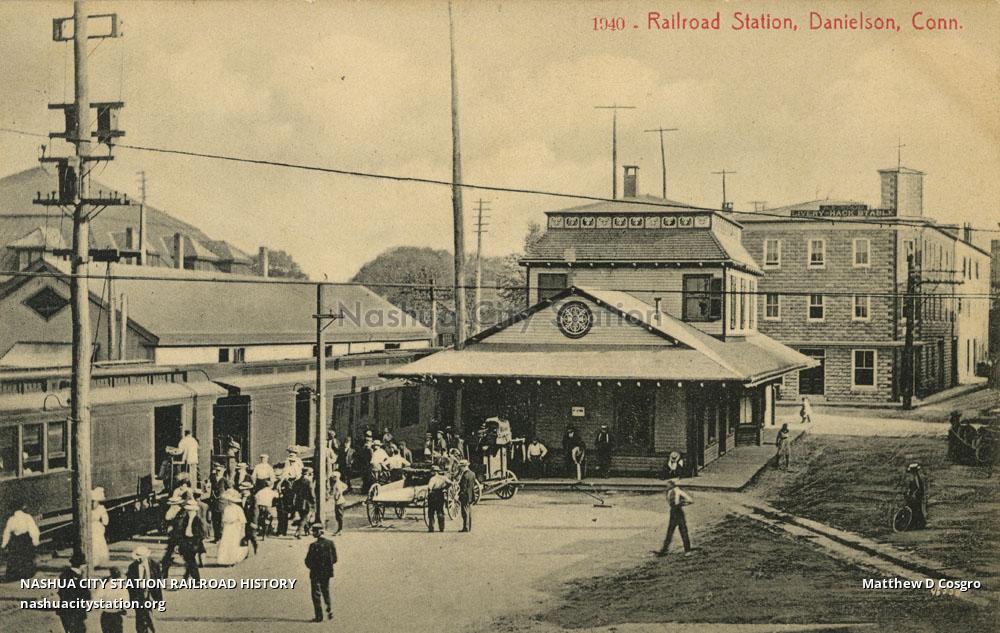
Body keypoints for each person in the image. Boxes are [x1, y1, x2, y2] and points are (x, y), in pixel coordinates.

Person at [304, 522, 337, 622]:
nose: (312, 533)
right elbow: (335, 559)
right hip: (326, 572)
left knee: (316, 594)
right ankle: (329, 608)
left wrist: (312, 568)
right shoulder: (330, 543)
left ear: (319, 532)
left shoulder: (313, 545)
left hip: (315, 572)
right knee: (326, 591)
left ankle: (319, 616)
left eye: (314, 531)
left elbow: (307, 560)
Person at [126, 546, 163, 633]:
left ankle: (151, 630)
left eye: (140, 558)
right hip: (138, 595)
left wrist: (159, 599)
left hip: (150, 594)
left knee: (149, 616)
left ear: (146, 556)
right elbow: (129, 585)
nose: (138, 560)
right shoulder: (132, 567)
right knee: (139, 617)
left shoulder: (154, 565)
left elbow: (158, 582)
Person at [2, 500, 40, 580]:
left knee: (15, 558)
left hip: (15, 541)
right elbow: (34, 530)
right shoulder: (27, 517)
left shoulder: (11, 519)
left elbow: (7, 533)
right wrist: (35, 542)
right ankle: (26, 574)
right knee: (26, 556)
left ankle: (14, 575)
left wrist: (4, 544)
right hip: (25, 540)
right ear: (22, 508)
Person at [656, 479, 693, 556]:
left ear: (672, 484)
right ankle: (664, 550)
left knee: (683, 530)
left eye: (668, 484)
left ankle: (687, 550)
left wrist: (682, 504)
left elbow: (690, 500)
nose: (667, 486)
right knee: (670, 531)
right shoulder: (669, 492)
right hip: (673, 511)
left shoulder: (678, 491)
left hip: (678, 511)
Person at [57, 551, 90, 633]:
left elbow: (61, 592)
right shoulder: (79, 579)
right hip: (76, 611)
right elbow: (87, 595)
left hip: (64, 610)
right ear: (82, 565)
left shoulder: (63, 574)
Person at [216, 489, 247, 565]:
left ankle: (232, 560)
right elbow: (224, 519)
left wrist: (242, 530)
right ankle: (225, 560)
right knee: (226, 543)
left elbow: (243, 520)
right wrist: (223, 527)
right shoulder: (226, 508)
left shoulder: (238, 509)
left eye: (230, 501)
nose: (229, 502)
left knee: (233, 543)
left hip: (235, 527)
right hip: (227, 527)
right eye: (228, 500)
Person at [96, 567, 129, 633]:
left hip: (105, 615)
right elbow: (125, 602)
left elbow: (97, 599)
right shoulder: (122, 587)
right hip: (116, 615)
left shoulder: (104, 585)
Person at [160, 495, 186, 578]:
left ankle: (193, 576)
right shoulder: (177, 511)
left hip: (179, 536)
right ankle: (164, 573)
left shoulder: (180, 512)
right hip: (175, 537)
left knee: (187, 558)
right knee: (168, 556)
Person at [178, 500, 205, 581]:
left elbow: (201, 534)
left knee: (191, 560)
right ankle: (189, 577)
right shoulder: (186, 519)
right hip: (186, 541)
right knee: (189, 561)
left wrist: (196, 543)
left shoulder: (197, 520)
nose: (189, 512)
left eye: (190, 510)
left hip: (193, 542)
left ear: (194, 510)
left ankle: (195, 579)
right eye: (188, 510)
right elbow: (182, 531)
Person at [426, 466, 452, 533]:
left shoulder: (432, 479)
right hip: (440, 495)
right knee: (440, 511)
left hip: (433, 495)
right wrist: (445, 488)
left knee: (431, 512)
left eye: (432, 471)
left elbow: (429, 487)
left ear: (434, 472)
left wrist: (429, 493)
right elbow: (450, 483)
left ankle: (431, 528)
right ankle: (441, 528)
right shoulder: (443, 477)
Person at [292, 468, 316, 539]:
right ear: (308, 474)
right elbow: (311, 493)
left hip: (298, 501)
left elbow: (293, 491)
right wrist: (313, 501)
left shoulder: (296, 482)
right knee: (304, 517)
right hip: (306, 502)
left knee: (302, 516)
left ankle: (307, 530)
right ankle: (298, 532)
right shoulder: (308, 482)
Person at [904, 462, 929, 528]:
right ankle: (915, 524)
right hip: (914, 496)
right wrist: (908, 492)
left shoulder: (916, 477)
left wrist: (914, 494)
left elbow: (918, 488)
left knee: (916, 509)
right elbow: (910, 487)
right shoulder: (913, 477)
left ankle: (919, 524)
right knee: (914, 509)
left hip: (917, 496)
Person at [91, 486, 111, 568]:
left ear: (98, 502)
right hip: (90, 528)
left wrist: (101, 523)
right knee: (91, 544)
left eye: (94, 502)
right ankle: (92, 562)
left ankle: (98, 562)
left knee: (98, 544)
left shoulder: (101, 509)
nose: (93, 504)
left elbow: (106, 521)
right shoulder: (87, 509)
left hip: (97, 528)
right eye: (91, 502)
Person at [208, 464, 228, 542]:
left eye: (219, 471)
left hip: (222, 503)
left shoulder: (224, 480)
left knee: (222, 521)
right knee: (214, 520)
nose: (218, 472)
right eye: (217, 470)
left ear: (223, 471)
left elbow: (229, 490)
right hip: (214, 503)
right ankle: (216, 537)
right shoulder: (213, 479)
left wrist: (224, 496)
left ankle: (222, 537)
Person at [456, 459, 477, 532]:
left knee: (464, 512)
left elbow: (463, 488)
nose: (460, 468)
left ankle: (465, 527)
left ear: (464, 466)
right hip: (471, 495)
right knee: (469, 512)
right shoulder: (472, 474)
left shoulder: (465, 475)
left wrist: (458, 495)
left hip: (465, 496)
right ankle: (469, 527)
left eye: (461, 467)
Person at [240, 483, 259, 555]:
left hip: (250, 520)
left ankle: (256, 547)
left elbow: (255, 511)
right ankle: (245, 553)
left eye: (243, 490)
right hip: (243, 521)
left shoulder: (253, 498)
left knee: (252, 536)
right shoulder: (240, 498)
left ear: (248, 490)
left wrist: (254, 522)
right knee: (244, 537)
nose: (241, 491)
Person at [331, 471, 348, 535]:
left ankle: (340, 529)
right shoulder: (338, 483)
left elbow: (338, 492)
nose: (332, 478)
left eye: (333, 477)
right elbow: (345, 486)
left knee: (339, 516)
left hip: (339, 501)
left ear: (336, 477)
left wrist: (337, 497)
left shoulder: (338, 484)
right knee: (337, 516)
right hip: (338, 501)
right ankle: (339, 529)